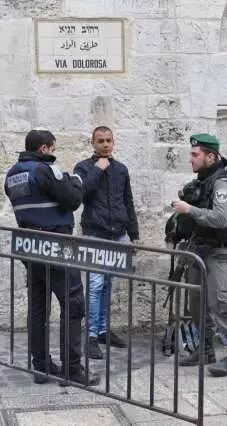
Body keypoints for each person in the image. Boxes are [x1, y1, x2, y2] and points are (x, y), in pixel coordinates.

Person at [4, 129, 100, 386]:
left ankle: (41, 366)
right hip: (55, 246)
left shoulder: (12, 175)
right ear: (44, 149)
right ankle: (72, 369)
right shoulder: (44, 170)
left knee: (38, 308)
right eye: (53, 149)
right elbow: (73, 199)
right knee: (73, 302)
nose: (53, 153)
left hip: (30, 248)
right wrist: (75, 180)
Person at [170, 133, 227, 377]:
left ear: (211, 157)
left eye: (195, 154)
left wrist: (189, 210)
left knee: (223, 301)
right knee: (197, 302)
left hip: (217, 252)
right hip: (198, 250)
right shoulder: (204, 181)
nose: (190, 159)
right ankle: (205, 350)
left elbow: (221, 218)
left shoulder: (223, 184)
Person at [74, 126, 139, 360]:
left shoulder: (121, 169)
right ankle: (91, 335)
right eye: (100, 141)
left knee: (108, 284)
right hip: (95, 232)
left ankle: (102, 330)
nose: (105, 145)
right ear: (92, 143)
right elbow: (80, 194)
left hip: (117, 234)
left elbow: (127, 201)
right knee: (95, 284)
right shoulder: (83, 167)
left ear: (114, 142)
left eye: (108, 140)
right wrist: (97, 170)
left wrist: (134, 233)